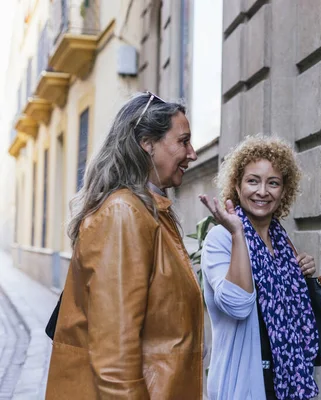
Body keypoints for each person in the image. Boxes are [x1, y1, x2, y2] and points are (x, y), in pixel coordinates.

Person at [45, 92, 204, 400]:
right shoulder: (124, 214)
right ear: (147, 142)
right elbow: (115, 361)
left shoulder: (148, 211)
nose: (193, 153)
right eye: (183, 141)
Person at [200, 135, 319, 400]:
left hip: (288, 383)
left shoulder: (282, 241)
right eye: (253, 180)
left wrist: (305, 272)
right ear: (237, 185)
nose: (262, 191)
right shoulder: (221, 238)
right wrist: (238, 234)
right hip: (246, 384)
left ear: (284, 191)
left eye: (273, 183)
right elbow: (238, 305)